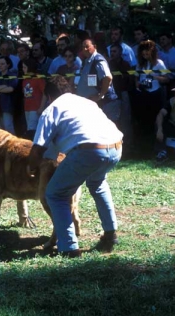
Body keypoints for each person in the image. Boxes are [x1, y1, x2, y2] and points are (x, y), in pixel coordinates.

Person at [27, 76, 123, 257]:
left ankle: (69, 248)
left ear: (48, 96)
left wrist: (31, 168)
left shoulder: (51, 109)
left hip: (89, 151)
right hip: (116, 147)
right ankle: (111, 234)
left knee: (55, 194)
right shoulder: (86, 103)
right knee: (97, 183)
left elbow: (38, 148)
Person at [133, 40, 169, 152]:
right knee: (143, 121)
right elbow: (135, 77)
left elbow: (167, 78)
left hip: (156, 94)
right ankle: (144, 149)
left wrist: (155, 77)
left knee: (156, 121)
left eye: (147, 53)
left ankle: (157, 148)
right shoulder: (140, 65)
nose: (145, 55)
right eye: (143, 53)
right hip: (143, 94)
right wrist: (137, 84)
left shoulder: (159, 63)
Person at [76, 39, 121, 123]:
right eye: (83, 47)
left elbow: (107, 78)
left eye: (87, 47)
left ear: (94, 47)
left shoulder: (98, 60)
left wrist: (99, 96)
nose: (85, 49)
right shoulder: (88, 61)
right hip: (97, 104)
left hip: (106, 104)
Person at [0, 55, 18, 134]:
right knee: (0, 129)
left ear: (8, 65)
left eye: (2, 64)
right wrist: (3, 86)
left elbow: (10, 89)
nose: (0, 66)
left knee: (8, 127)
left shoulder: (12, 76)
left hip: (8, 106)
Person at [22, 58, 47, 140]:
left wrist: (41, 107)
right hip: (27, 108)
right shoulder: (25, 79)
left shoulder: (38, 79)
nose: (23, 69)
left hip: (35, 108)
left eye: (25, 67)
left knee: (32, 130)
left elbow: (45, 93)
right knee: (29, 128)